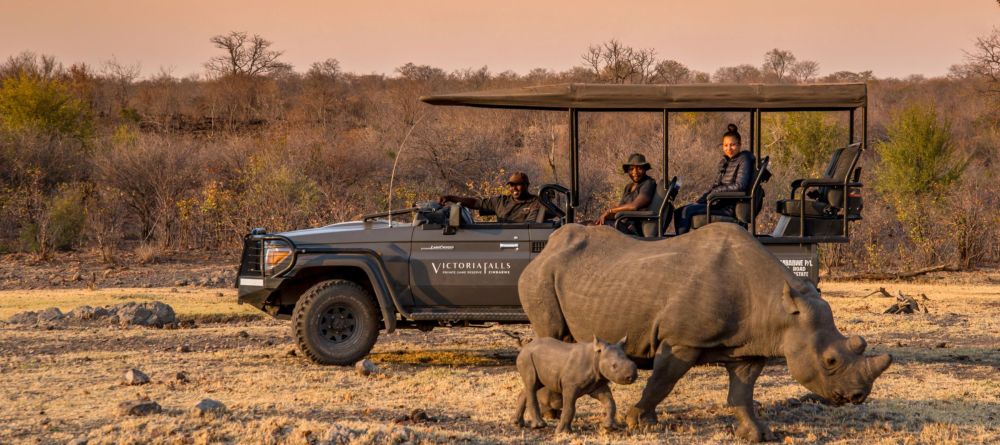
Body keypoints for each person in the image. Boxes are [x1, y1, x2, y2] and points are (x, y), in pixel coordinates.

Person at [673, 124, 755, 235]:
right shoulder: (726, 162)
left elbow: (740, 186)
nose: (729, 148)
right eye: (726, 145)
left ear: (739, 145)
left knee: (687, 211)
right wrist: (700, 201)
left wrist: (716, 192)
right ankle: (681, 242)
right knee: (679, 211)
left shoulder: (744, 159)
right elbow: (715, 186)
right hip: (717, 202)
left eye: (732, 145)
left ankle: (682, 246)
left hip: (727, 207)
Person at [438, 172, 544, 223]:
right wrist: (450, 198)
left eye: (518, 184)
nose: (514, 188)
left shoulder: (536, 202)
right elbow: (475, 203)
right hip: (501, 243)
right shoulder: (501, 201)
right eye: (511, 185)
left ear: (527, 185)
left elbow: (550, 214)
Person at [594, 153, 657, 233]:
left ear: (645, 169)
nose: (635, 172)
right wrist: (604, 217)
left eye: (639, 168)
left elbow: (634, 206)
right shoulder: (628, 187)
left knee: (593, 228)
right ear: (627, 171)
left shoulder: (649, 183)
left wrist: (609, 211)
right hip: (623, 222)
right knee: (590, 224)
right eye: (631, 169)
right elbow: (620, 209)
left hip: (634, 228)